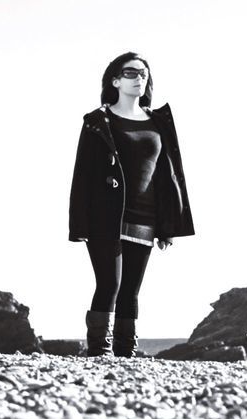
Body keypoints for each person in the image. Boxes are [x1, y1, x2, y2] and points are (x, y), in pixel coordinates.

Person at [69, 52, 194, 357]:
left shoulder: (158, 122)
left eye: (143, 73)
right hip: (105, 216)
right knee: (110, 284)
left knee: (131, 291)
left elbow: (168, 177)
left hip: (146, 217)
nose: (139, 77)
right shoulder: (98, 121)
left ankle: (126, 352)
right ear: (115, 80)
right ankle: (99, 349)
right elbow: (82, 175)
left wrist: (169, 225)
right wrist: (78, 224)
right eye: (131, 72)